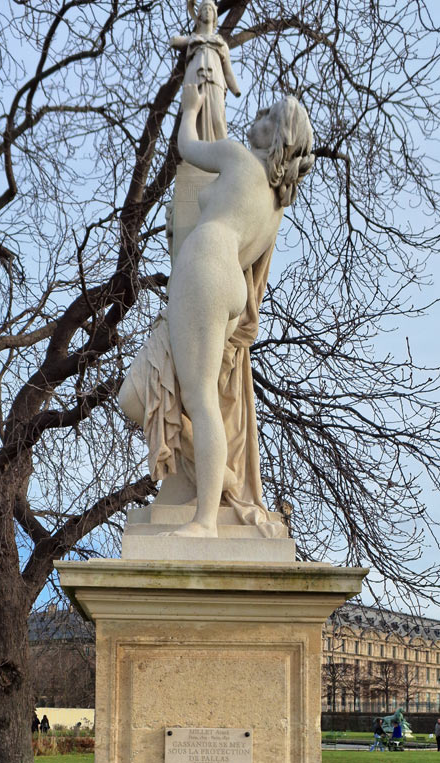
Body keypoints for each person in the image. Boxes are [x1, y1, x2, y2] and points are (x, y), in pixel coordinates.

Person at [119, 85, 314, 538]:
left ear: (276, 135)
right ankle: (223, 480)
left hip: (204, 270)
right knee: (138, 395)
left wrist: (190, 110)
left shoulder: (236, 155)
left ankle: (205, 520)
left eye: (270, 113)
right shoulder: (275, 207)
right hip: (226, 286)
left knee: (202, 400)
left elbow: (187, 146)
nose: (259, 112)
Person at [170, 1, 241, 142]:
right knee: (194, 116)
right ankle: (194, 152)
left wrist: (236, 89)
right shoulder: (193, 38)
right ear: (199, 15)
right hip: (195, 78)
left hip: (215, 80)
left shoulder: (221, 43)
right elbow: (174, 41)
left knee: (217, 118)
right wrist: (180, 40)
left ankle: (224, 154)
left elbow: (228, 71)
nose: (208, 11)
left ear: (215, 16)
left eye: (210, 9)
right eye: (205, 9)